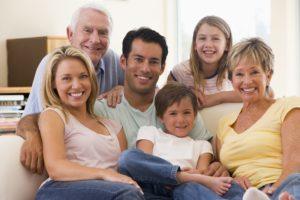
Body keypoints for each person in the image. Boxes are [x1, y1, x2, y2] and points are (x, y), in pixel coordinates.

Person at [17, 3, 124, 174]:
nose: (95, 39)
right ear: (70, 34)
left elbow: (151, 92)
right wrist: (32, 136)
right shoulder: (52, 65)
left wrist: (123, 89)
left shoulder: (114, 60)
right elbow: (29, 118)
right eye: (87, 30)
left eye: (103, 32)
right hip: (69, 168)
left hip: (101, 158)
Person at [35, 45, 143, 200]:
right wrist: (104, 174)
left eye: (83, 76)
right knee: (127, 193)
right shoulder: (54, 115)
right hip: (58, 190)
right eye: (66, 78)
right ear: (53, 83)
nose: (77, 85)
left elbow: (122, 174)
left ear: (91, 80)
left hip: (109, 193)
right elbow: (56, 167)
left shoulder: (113, 126)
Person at [210, 38, 300, 200]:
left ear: (269, 75)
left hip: (283, 186)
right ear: (231, 80)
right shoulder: (224, 124)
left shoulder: (288, 106)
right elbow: (222, 169)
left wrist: (270, 192)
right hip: (243, 194)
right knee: (191, 188)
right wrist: (230, 177)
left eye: (254, 72)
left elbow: (295, 162)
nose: (247, 81)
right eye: (239, 74)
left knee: (296, 181)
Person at [118, 82, 234, 199]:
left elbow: (202, 173)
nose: (180, 120)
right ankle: (180, 176)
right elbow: (145, 161)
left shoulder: (202, 145)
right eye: (173, 113)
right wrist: (181, 175)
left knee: (230, 185)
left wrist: (195, 175)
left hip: (184, 189)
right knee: (126, 157)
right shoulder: (149, 131)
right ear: (161, 117)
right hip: (152, 185)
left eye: (186, 113)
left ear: (195, 115)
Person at [168, 16, 241, 108]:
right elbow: (165, 100)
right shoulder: (180, 71)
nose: (208, 45)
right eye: (202, 38)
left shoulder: (233, 70)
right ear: (195, 44)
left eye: (215, 39)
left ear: (226, 45)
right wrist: (185, 94)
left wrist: (214, 98)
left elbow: (252, 93)